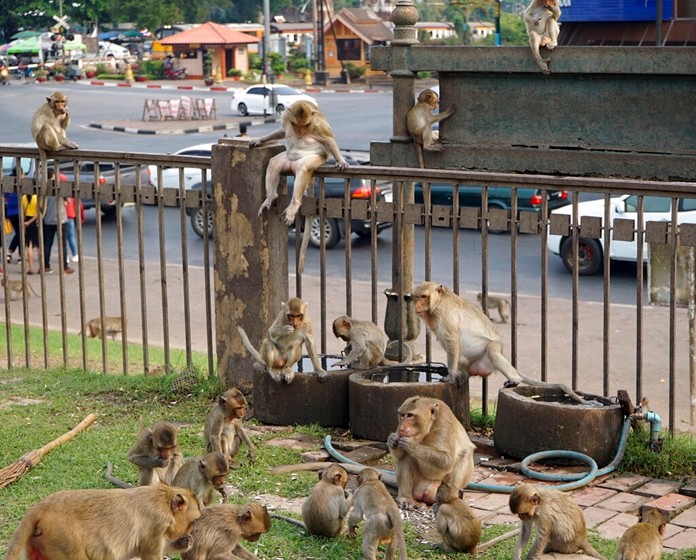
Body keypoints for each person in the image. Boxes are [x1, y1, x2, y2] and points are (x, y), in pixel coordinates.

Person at [42, 180, 74, 275]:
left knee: (47, 244)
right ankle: (64, 267)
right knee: (62, 245)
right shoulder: (60, 187)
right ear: (53, 176)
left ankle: (46, 266)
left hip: (48, 219)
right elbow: (68, 201)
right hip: (61, 219)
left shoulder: (44, 188)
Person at [5, 167, 23, 264]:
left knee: (18, 233)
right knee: (20, 233)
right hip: (19, 212)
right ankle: (20, 255)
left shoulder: (8, 183)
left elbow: (5, 197)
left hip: (10, 212)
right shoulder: (21, 183)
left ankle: (10, 253)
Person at [21, 191, 40, 274]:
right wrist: (31, 222)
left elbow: (23, 213)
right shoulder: (37, 197)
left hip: (27, 220)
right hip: (35, 222)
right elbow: (38, 214)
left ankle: (31, 268)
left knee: (29, 246)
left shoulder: (23, 198)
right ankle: (41, 267)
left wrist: (25, 223)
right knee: (39, 247)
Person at [65, 197, 83, 262]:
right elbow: (78, 203)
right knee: (71, 236)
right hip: (71, 215)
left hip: (62, 216)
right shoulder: (71, 190)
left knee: (63, 238)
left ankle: (65, 256)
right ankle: (75, 255)